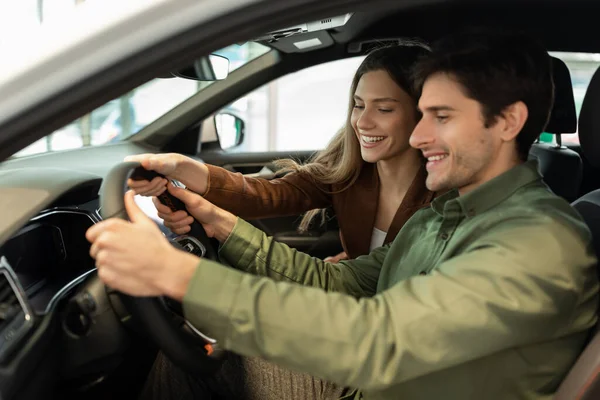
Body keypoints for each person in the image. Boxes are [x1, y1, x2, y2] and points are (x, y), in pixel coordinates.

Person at [86, 29, 599, 400]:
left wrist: (179, 273)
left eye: (439, 118)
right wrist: (216, 219)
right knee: (203, 350)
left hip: (376, 376)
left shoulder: (536, 239)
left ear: (508, 121)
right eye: (421, 116)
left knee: (201, 362)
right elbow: (342, 285)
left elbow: (382, 341)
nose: (420, 138)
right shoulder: (443, 216)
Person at [126, 44, 435, 263]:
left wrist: (348, 277)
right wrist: (179, 167)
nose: (363, 122)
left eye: (383, 109)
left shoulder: (451, 193)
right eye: (358, 105)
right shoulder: (349, 169)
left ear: (424, 113)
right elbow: (266, 194)